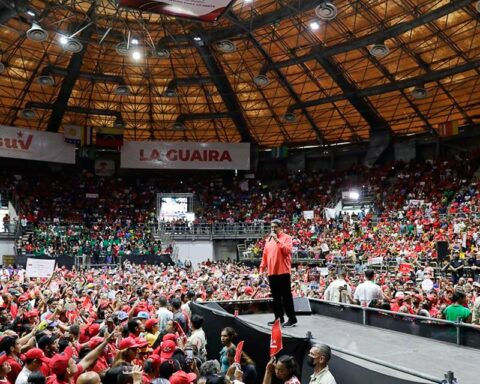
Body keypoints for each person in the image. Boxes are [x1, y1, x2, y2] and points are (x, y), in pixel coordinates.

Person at [260, 219, 297, 327]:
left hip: (283, 271)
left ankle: (292, 319)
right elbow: (265, 256)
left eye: (275, 227)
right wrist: (262, 269)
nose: (273, 229)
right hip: (272, 272)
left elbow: (287, 251)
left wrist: (277, 240)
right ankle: (278, 318)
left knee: (286, 297)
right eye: (272, 227)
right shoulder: (268, 240)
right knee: (275, 297)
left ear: (281, 227)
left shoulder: (287, 238)